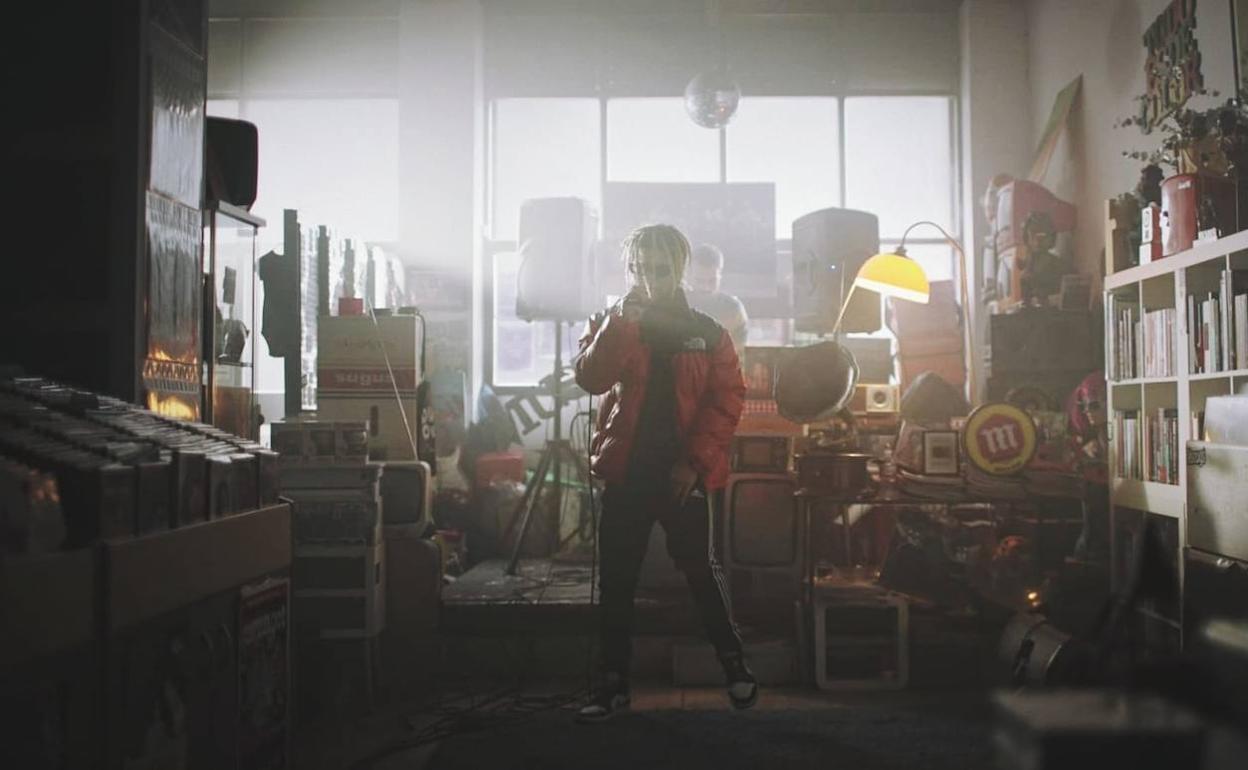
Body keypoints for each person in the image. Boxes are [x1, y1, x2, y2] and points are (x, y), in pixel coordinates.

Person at [573, 224, 756, 723]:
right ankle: (612, 684)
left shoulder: (708, 332)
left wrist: (692, 463)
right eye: (640, 269)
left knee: (701, 571)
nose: (650, 279)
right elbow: (591, 378)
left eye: (659, 269)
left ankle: (735, 666)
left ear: (678, 269)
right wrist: (621, 325)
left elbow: (728, 399)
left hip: (682, 474)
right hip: (627, 473)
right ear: (630, 270)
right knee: (616, 581)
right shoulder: (611, 321)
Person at [685, 243, 749, 358]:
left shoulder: (733, 310)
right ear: (689, 275)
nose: (706, 287)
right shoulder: (678, 305)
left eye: (712, 281)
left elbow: (739, 354)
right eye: (699, 280)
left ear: (720, 276)